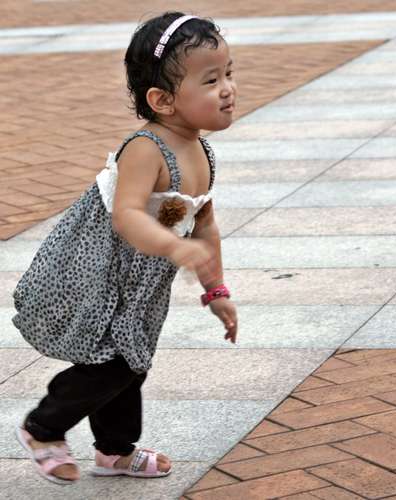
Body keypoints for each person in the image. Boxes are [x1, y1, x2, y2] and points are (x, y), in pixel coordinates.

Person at [11, 11, 238, 485]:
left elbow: (205, 225)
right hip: (97, 271)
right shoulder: (145, 148)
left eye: (228, 74)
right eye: (211, 80)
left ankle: (113, 451)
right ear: (163, 100)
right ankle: (43, 428)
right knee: (111, 364)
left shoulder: (203, 153)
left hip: (140, 283)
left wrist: (216, 290)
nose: (227, 89)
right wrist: (173, 247)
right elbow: (127, 215)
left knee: (132, 363)